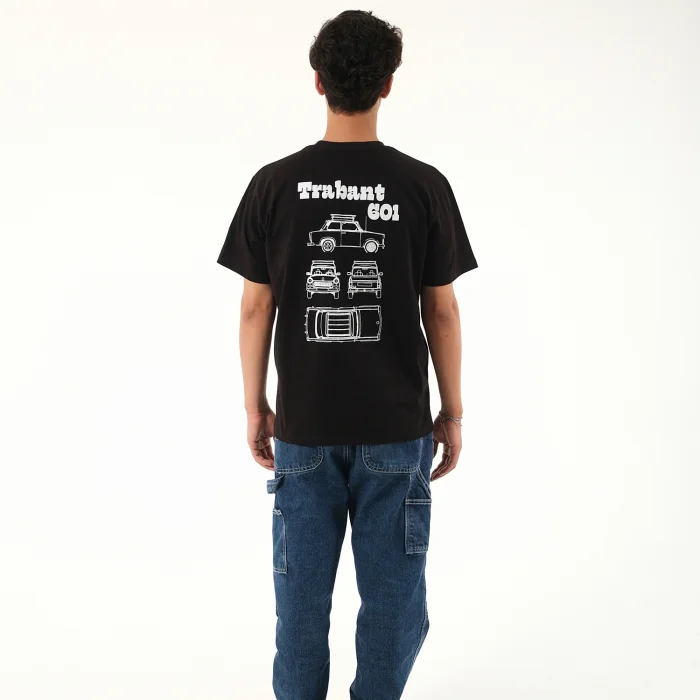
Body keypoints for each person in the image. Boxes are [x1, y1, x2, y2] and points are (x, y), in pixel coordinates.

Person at [217, 10, 477, 700]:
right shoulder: (423, 185)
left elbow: (255, 308)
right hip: (396, 428)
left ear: (317, 81)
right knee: (393, 604)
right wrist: (452, 412)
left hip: (304, 428)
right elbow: (442, 311)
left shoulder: (275, 184)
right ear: (388, 84)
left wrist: (255, 405)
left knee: (300, 609)